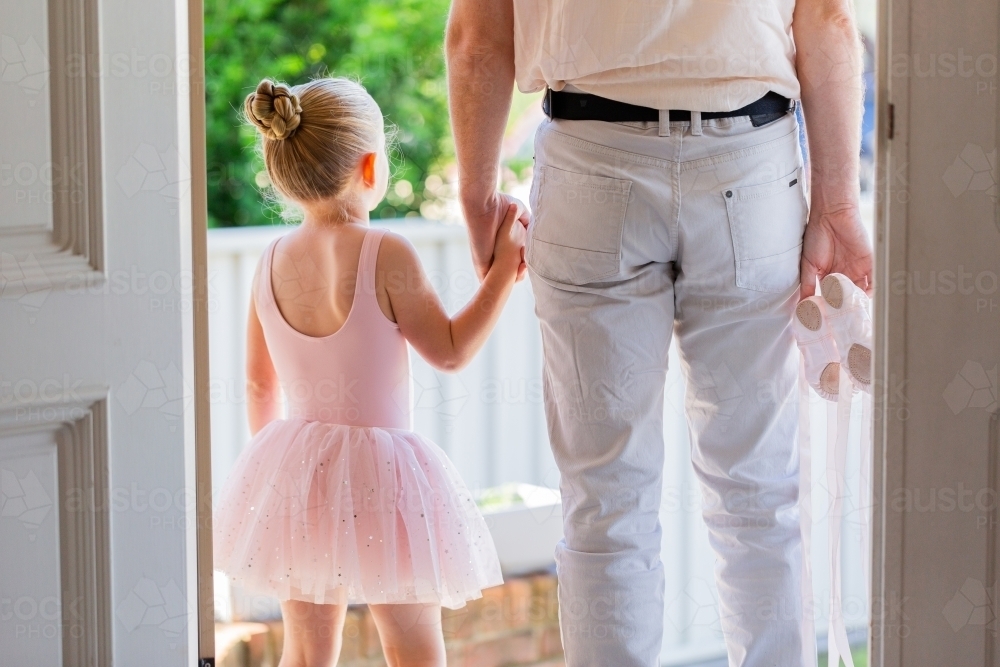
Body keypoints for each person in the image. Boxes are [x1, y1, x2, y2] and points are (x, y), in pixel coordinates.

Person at [446, 0, 874, 665]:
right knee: (757, 494)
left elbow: (477, 37)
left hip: (591, 163)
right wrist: (839, 203)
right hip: (747, 164)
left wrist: (475, 196)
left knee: (604, 505)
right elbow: (826, 18)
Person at [213, 77, 526, 667]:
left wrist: (279, 475)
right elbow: (452, 350)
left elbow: (259, 386)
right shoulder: (386, 252)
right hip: (386, 484)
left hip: (296, 474)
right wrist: (503, 272)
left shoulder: (269, 261)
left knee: (305, 653)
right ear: (368, 166)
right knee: (412, 650)